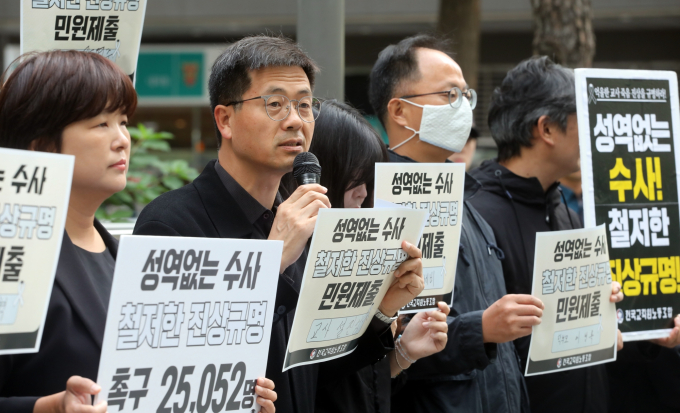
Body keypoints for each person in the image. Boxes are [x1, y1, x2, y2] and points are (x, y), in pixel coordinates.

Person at [133, 35, 425, 413]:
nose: (294, 121)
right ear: (225, 119)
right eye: (274, 104)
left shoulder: (303, 223)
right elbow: (175, 370)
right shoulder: (170, 223)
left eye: (304, 105)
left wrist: (383, 311)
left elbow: (316, 369)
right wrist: (272, 261)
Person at [0, 51, 280, 413]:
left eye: (123, 122)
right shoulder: (13, 256)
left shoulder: (126, 257)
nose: (122, 140)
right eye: (101, 124)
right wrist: (47, 408)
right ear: (41, 143)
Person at [369, 33, 543, 413]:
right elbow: (379, 349)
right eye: (449, 95)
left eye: (467, 96)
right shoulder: (378, 205)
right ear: (399, 111)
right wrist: (479, 330)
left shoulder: (467, 201)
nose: (462, 107)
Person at [467, 56, 625, 413]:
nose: (595, 132)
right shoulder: (474, 215)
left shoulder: (563, 209)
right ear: (547, 129)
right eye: (584, 119)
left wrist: (599, 312)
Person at [301, 100, 450, 413]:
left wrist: (402, 354)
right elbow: (309, 378)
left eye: (370, 181)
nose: (364, 194)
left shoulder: (356, 253)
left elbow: (359, 388)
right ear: (322, 170)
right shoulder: (292, 259)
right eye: (355, 178)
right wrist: (381, 315)